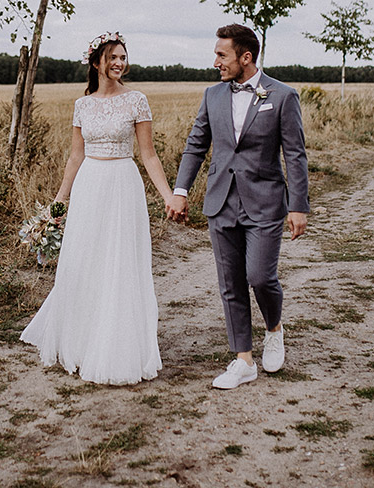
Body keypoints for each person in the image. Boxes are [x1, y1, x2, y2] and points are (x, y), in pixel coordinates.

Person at [20, 31, 174, 384]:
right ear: (96, 63)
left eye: (123, 57)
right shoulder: (82, 104)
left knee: (119, 262)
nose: (120, 63)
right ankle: (82, 341)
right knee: (84, 261)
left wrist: (168, 196)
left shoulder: (137, 100)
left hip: (122, 184)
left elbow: (148, 154)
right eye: (113, 57)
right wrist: (59, 202)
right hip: (90, 184)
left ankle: (118, 346)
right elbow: (75, 156)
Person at [166, 24, 309, 389]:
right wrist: (181, 190)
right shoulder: (212, 95)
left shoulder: (283, 96)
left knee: (260, 277)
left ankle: (274, 329)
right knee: (230, 283)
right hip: (221, 201)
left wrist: (299, 206)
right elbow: (196, 145)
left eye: (222, 54)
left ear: (246, 57)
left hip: (265, 203)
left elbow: (294, 154)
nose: (215, 62)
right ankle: (243, 359)